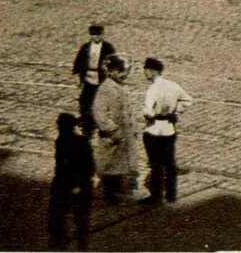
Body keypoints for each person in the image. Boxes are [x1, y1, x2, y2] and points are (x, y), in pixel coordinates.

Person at [140, 57, 192, 205]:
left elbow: (148, 112)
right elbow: (187, 100)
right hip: (169, 128)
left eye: (146, 71)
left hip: (154, 128)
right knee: (169, 162)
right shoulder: (172, 85)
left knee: (155, 164)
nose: (145, 74)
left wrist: (145, 113)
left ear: (152, 71)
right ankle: (171, 193)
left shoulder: (153, 89)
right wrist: (176, 111)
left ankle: (155, 195)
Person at [92, 55, 140, 203]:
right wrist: (112, 130)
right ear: (111, 72)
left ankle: (117, 192)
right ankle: (109, 196)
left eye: (124, 71)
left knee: (119, 165)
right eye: (120, 72)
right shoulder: (105, 89)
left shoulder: (119, 87)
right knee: (110, 166)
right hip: (112, 135)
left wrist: (133, 127)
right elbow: (99, 114)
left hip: (123, 134)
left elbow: (126, 110)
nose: (123, 75)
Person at [48, 111, 95, 249]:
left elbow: (63, 167)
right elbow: (90, 166)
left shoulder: (62, 142)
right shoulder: (82, 141)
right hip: (82, 184)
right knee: (81, 218)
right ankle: (82, 244)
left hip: (67, 184)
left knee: (58, 215)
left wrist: (73, 184)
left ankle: (59, 243)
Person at [72, 24, 117, 128]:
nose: (96, 37)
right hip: (88, 77)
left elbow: (114, 63)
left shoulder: (108, 48)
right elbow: (78, 62)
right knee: (84, 99)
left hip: (101, 78)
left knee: (100, 100)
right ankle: (85, 118)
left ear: (102, 35)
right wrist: (77, 77)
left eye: (98, 35)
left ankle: (100, 119)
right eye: (94, 35)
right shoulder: (86, 47)